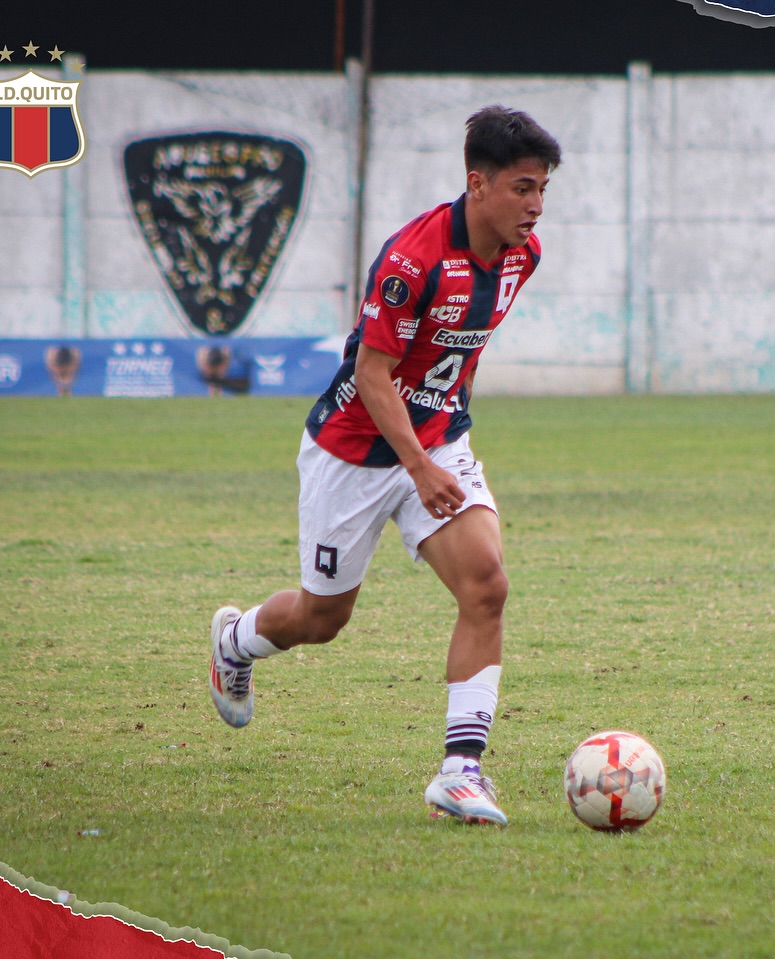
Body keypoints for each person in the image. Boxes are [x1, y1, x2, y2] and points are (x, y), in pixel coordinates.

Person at [208, 105, 561, 827]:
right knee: (322, 617)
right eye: (524, 188)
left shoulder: (524, 257)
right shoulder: (414, 260)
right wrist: (418, 467)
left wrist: (440, 447)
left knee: (487, 585)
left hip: (437, 440)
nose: (536, 205)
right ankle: (235, 640)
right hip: (352, 450)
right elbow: (373, 373)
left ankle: (461, 772)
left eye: (543, 189)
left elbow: (452, 355)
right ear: (478, 183)